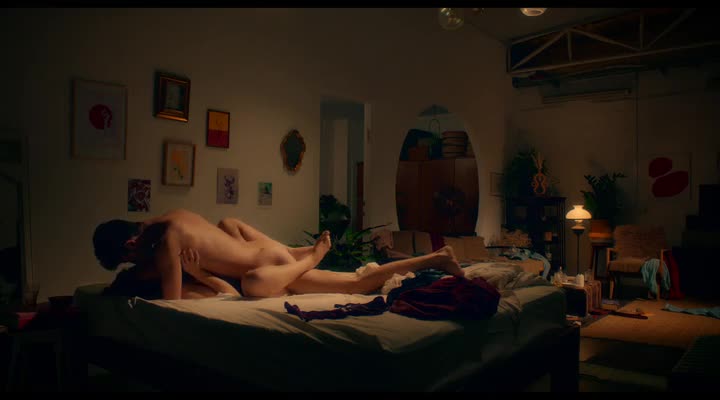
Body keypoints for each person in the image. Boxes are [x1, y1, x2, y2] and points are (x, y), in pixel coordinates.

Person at [92, 209, 464, 300]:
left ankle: (311, 256)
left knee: (252, 285)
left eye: (129, 260)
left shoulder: (166, 243)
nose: (136, 263)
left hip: (267, 268)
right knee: (355, 279)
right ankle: (438, 257)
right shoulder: (175, 216)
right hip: (269, 251)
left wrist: (197, 275)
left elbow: (171, 305)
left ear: (130, 246)